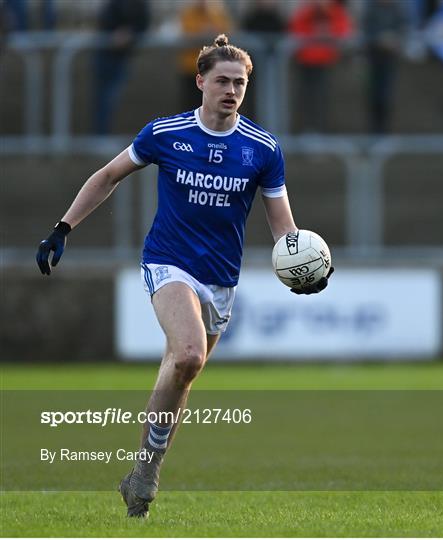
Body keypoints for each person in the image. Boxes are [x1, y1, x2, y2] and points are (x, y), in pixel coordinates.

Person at [36, 34, 334, 518]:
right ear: (200, 81)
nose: (232, 90)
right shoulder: (165, 134)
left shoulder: (262, 149)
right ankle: (149, 477)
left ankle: (141, 474)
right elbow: (109, 175)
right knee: (190, 352)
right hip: (168, 261)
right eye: (222, 80)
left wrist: (303, 267)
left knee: (182, 370)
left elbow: (284, 226)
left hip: (220, 278)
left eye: (240, 82)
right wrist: (63, 227)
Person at [288, 0, 354, 132]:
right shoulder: (306, 12)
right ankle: (305, 130)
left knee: (325, 100)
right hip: (306, 62)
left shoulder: (335, 13)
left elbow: (344, 33)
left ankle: (324, 130)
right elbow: (296, 30)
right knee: (305, 98)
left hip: (328, 63)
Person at [92, 0, 150, 135]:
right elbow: (105, 21)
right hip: (106, 55)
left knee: (110, 98)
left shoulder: (139, 5)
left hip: (121, 56)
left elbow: (143, 23)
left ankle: (102, 135)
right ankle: (100, 135)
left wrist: (130, 33)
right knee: (104, 99)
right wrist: (115, 34)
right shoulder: (115, 5)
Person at [177, 0, 232, 113]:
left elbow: (225, 34)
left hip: (213, 70)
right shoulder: (189, 14)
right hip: (192, 69)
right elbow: (188, 34)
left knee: (213, 108)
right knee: (191, 107)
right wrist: (205, 34)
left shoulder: (217, 13)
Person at [363, 0, 409, 134]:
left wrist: (394, 41)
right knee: (373, 94)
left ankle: (384, 130)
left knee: (387, 94)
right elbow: (366, 30)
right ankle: (373, 129)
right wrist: (378, 40)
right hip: (374, 58)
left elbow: (404, 29)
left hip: (390, 59)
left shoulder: (398, 9)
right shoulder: (371, 9)